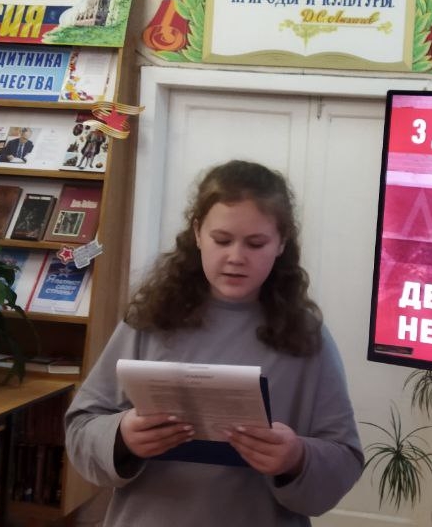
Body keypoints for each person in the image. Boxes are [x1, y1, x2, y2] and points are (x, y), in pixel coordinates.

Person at [64, 160, 362, 526]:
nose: (236, 257)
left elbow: (345, 459)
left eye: (256, 243)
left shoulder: (306, 336)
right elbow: (81, 428)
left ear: (281, 243)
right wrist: (122, 435)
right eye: (222, 240)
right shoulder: (151, 320)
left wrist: (296, 457)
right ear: (197, 233)